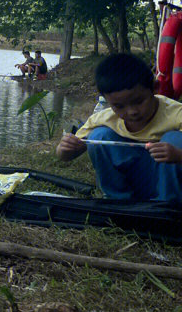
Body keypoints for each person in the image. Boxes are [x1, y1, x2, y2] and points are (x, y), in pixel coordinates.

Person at [57, 53, 182, 201]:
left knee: (174, 139)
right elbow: (64, 156)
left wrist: (178, 155)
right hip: (132, 182)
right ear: (107, 100)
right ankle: (117, 200)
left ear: (155, 88)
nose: (132, 111)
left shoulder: (176, 113)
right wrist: (66, 148)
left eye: (138, 101)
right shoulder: (104, 118)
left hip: (168, 185)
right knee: (98, 136)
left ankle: (167, 204)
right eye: (119, 106)